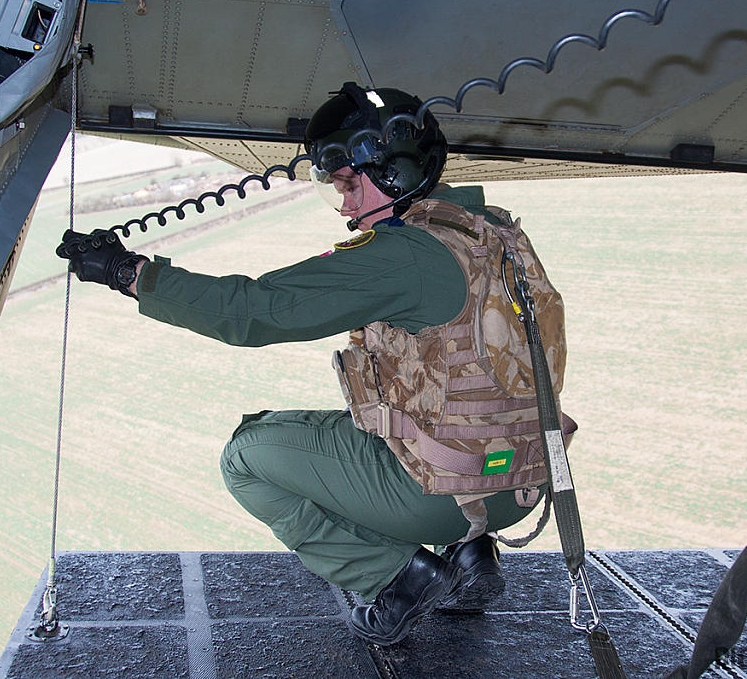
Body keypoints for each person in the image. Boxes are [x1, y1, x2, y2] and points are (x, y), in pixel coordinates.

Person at [56, 83, 568, 646]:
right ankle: (472, 556)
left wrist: (129, 273)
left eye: (349, 184)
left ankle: (396, 578)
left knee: (248, 455)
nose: (346, 206)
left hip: (441, 496)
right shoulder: (492, 233)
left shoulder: (408, 255)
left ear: (392, 171)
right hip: (522, 484)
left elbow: (255, 311)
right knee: (406, 410)